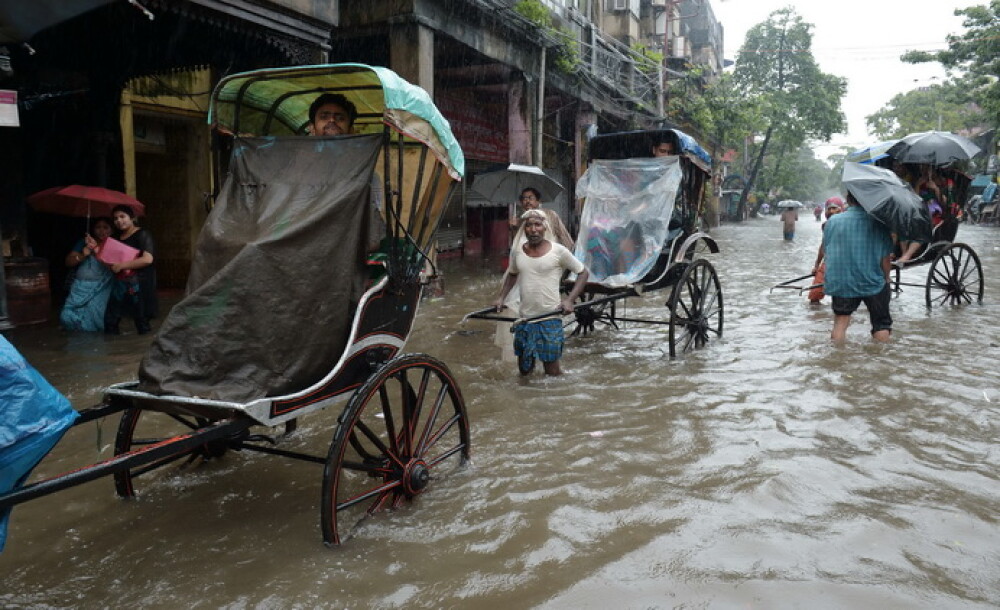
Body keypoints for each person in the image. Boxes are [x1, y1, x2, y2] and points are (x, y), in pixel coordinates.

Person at [493, 210, 589, 376]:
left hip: (549, 319)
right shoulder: (518, 252)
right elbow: (512, 274)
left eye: (537, 224)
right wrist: (501, 297)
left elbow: (583, 273)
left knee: (552, 372)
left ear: (545, 228)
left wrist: (570, 300)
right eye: (529, 225)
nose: (533, 229)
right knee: (524, 371)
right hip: (524, 319)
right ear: (524, 230)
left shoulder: (558, 251)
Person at [822, 192, 894, 343]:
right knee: (881, 324)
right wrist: (886, 278)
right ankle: (882, 362)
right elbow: (885, 258)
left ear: (848, 200)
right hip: (873, 281)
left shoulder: (832, 222)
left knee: (840, 323)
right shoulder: (879, 222)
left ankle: (838, 360)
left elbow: (826, 249)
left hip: (842, 281)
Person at [88, 205, 157, 335]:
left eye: (122, 217)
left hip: (139, 285)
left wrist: (122, 266)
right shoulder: (116, 238)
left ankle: (144, 350)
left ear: (132, 218)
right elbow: (110, 262)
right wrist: (96, 248)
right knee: (110, 320)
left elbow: (147, 259)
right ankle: (113, 352)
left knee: (141, 321)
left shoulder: (142, 234)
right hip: (120, 285)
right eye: (115, 218)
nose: (119, 221)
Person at [59, 217, 114, 331]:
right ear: (93, 229)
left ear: (111, 230)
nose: (102, 231)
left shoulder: (114, 245)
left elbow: (114, 266)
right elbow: (68, 262)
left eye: (105, 227)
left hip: (101, 288)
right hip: (80, 287)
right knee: (66, 315)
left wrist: (96, 250)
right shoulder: (83, 243)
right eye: (98, 227)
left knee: (95, 316)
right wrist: (83, 255)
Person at [509, 187, 574, 250]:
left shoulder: (550, 215)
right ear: (521, 203)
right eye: (524, 199)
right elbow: (517, 245)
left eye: (531, 198)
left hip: (550, 254)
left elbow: (563, 235)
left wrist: (569, 252)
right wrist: (514, 228)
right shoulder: (521, 220)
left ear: (538, 201)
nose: (527, 201)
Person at [808, 198, 844, 303]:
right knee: (814, 295)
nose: (832, 211)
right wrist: (816, 266)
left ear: (841, 209)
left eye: (835, 208)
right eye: (829, 209)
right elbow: (823, 246)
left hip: (847, 261)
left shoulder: (848, 223)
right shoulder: (826, 225)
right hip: (829, 262)